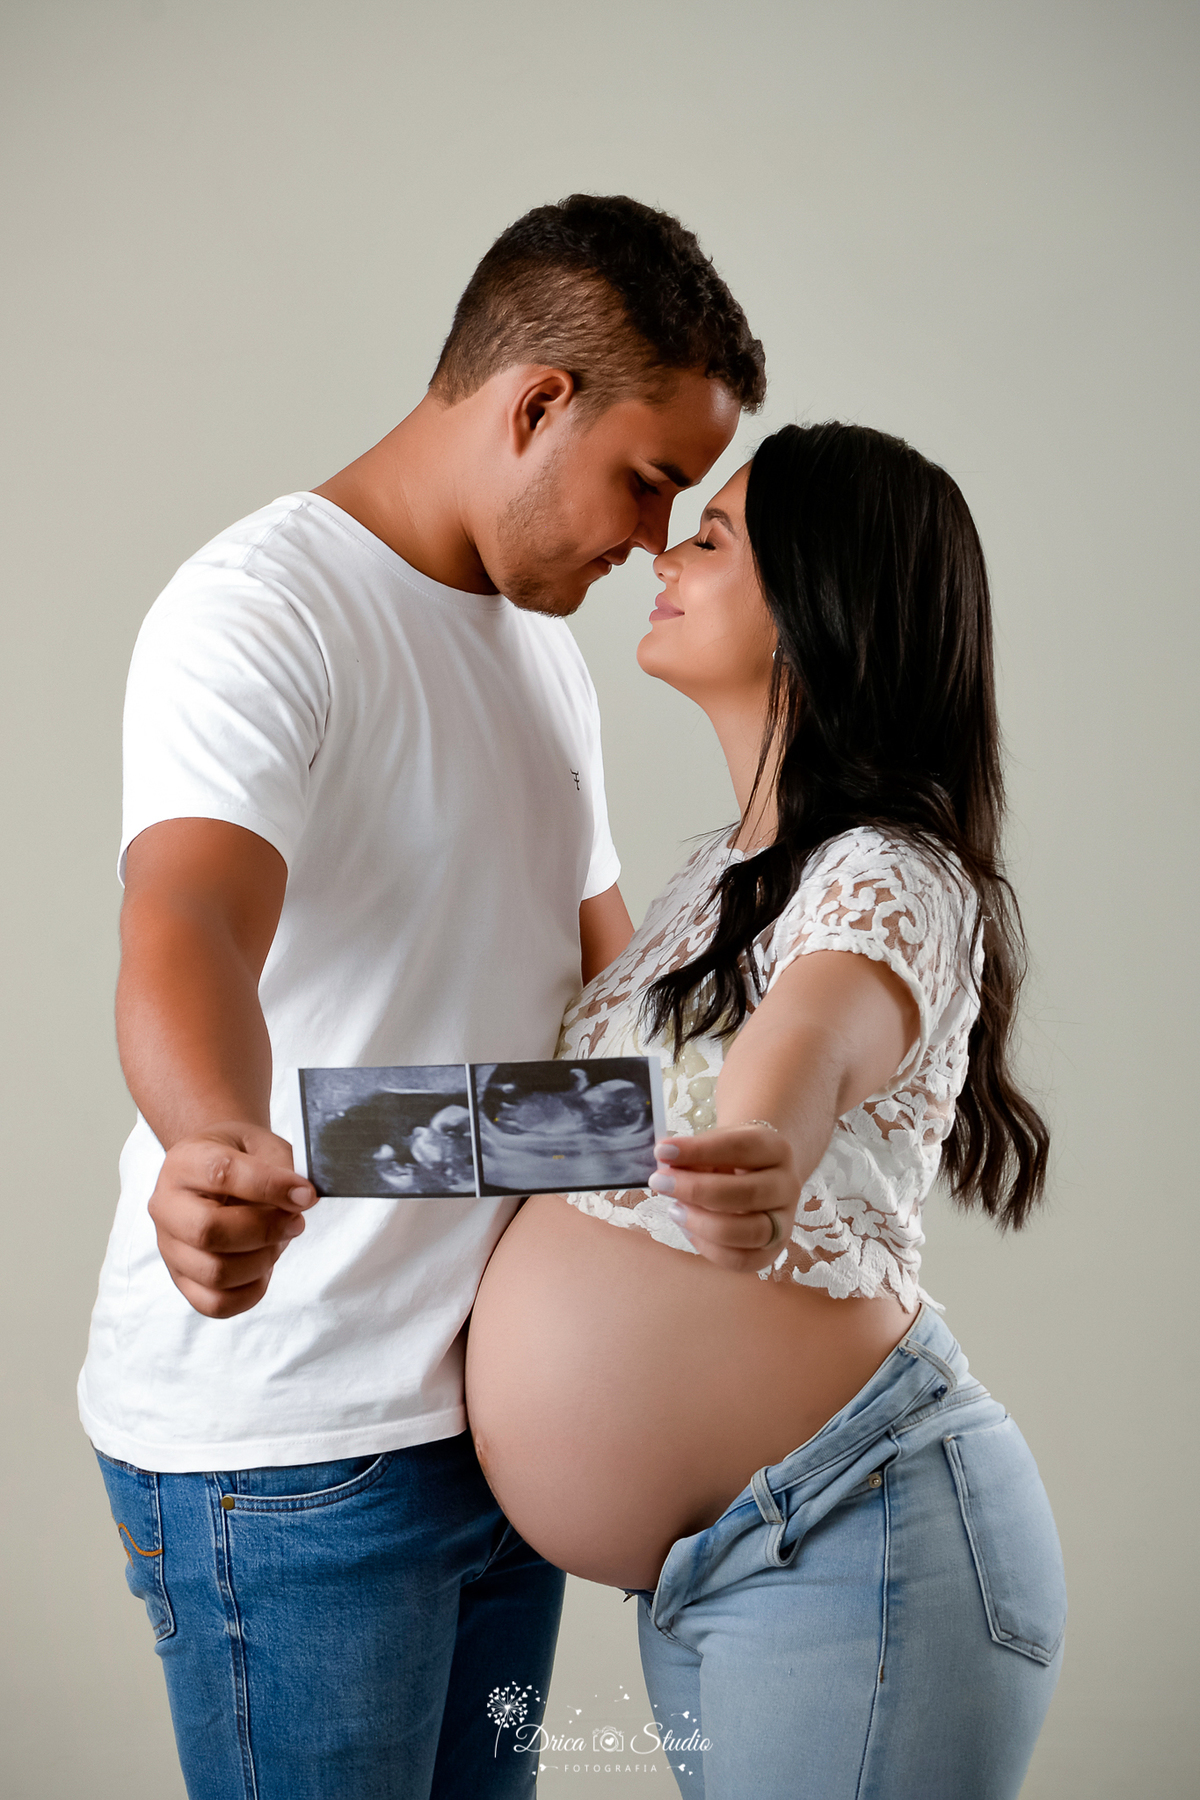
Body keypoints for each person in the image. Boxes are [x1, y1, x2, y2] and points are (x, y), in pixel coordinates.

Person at [79, 194, 765, 1800]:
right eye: (648, 481)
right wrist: (210, 1141)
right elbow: (183, 916)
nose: (657, 541)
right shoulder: (262, 608)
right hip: (296, 1447)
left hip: (493, 1434)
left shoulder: (540, 656)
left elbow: (598, 1037)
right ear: (536, 405)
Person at [466, 422, 1065, 1799]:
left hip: (862, 1547)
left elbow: (807, 1046)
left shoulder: (891, 877)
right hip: (750, 1565)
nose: (666, 552)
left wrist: (769, 1147)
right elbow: (599, 1129)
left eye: (717, 537)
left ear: (821, 601)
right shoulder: (712, 889)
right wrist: (313, 1143)